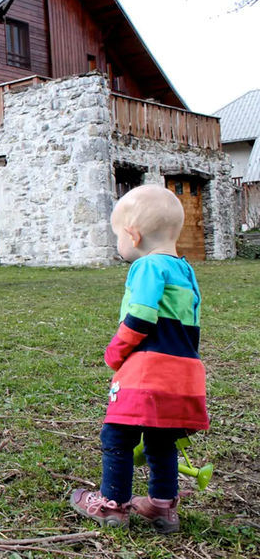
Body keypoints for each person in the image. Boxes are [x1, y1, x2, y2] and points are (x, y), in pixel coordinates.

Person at [69, 184, 209, 534]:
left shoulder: (147, 267)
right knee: (161, 439)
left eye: (117, 235)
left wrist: (117, 350)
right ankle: (162, 506)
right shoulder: (186, 271)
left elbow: (142, 317)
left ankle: (111, 504)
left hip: (148, 371)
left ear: (132, 235)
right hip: (184, 372)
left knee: (117, 435)